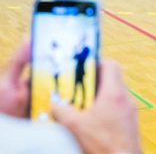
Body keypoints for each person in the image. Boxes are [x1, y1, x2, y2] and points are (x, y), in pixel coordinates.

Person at [0, 39, 141, 154]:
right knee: (76, 87)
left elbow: (78, 54)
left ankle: (74, 98)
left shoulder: (83, 52)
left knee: (81, 88)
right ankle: (74, 99)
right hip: (75, 73)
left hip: (79, 74)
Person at [70, 36, 91, 109]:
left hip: (81, 70)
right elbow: (74, 57)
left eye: (83, 40)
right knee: (75, 85)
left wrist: (77, 51)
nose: (82, 41)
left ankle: (83, 101)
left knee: (82, 86)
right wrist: (76, 51)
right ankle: (73, 99)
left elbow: (81, 58)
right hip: (77, 69)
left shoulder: (86, 49)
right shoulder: (81, 49)